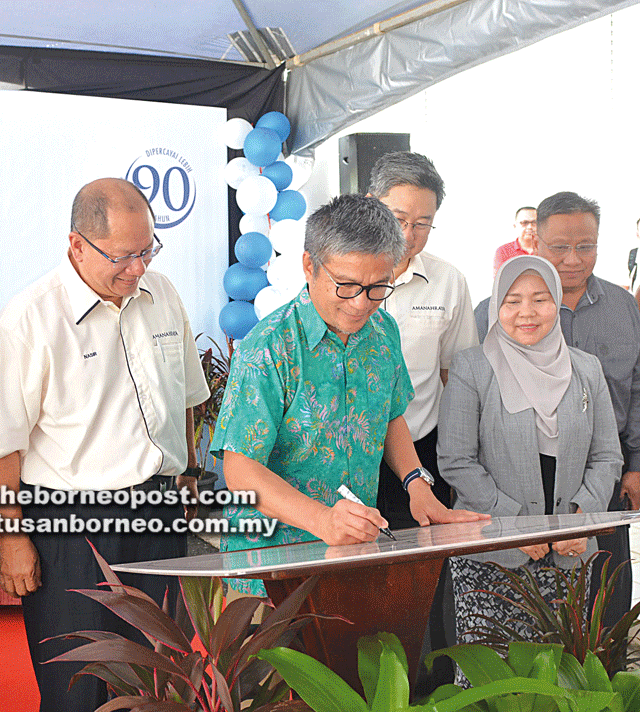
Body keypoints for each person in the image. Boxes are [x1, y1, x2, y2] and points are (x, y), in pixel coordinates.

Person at [0, 177, 210, 712]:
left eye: (147, 251)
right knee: (78, 690)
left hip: (158, 512)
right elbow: (1, 448)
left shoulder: (162, 293)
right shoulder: (28, 320)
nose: (137, 268)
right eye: (121, 257)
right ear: (76, 245)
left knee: (156, 679)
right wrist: (11, 541)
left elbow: (188, 395)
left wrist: (189, 471)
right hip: (73, 530)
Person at [209, 194, 487, 599]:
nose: (360, 304)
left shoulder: (383, 332)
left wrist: (416, 484)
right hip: (269, 567)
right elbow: (240, 471)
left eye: (377, 288)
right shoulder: (270, 346)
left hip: (352, 555)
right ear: (309, 265)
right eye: (345, 286)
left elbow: (390, 417)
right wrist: (321, 521)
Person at [439, 255, 621, 683]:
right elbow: (456, 460)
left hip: (570, 551)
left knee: (560, 680)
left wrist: (578, 520)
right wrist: (519, 525)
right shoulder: (472, 367)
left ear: (556, 303)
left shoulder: (586, 368)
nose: (526, 312)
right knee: (489, 683)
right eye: (512, 300)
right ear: (496, 307)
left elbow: (607, 456)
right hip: (495, 554)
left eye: (539, 299)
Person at [474, 192, 640, 627]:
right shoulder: (492, 314)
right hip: (515, 490)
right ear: (535, 244)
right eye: (559, 247)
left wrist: (635, 464)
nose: (572, 259)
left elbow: (637, 387)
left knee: (604, 606)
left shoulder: (623, 307)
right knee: (520, 614)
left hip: (603, 481)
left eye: (585, 246)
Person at [367, 151, 477, 529]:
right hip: (344, 451)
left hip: (420, 447)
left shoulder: (448, 281)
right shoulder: (335, 276)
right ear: (370, 205)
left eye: (423, 223)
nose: (407, 235)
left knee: (420, 565)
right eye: (397, 219)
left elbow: (456, 375)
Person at [493, 206, 538, 273]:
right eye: (524, 223)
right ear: (515, 226)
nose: (530, 227)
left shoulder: (549, 249)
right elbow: (500, 280)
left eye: (534, 223)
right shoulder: (503, 251)